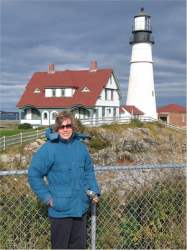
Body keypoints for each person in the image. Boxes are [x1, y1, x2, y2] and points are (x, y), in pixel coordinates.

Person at [28, 111, 100, 249]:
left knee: (78, 246)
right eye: (62, 127)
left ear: (73, 127)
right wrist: (47, 197)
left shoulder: (81, 147)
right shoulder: (48, 149)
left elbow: (89, 171)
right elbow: (34, 174)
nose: (65, 129)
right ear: (57, 128)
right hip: (60, 209)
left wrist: (94, 191)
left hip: (81, 207)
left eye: (68, 126)